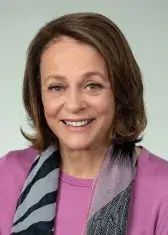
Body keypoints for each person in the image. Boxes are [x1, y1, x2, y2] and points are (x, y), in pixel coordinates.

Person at [0, 12, 168, 235]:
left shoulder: (162, 188)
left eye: (92, 85)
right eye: (57, 87)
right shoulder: (8, 173)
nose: (74, 104)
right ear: (38, 96)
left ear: (120, 91)